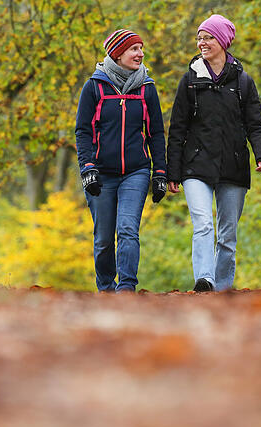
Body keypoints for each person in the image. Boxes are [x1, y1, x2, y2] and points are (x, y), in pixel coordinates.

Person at [167, 15, 261, 292]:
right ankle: (205, 280)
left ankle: (222, 288)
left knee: (227, 234)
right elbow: (177, 129)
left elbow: (255, 124)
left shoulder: (243, 82)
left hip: (233, 166)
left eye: (208, 37)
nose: (202, 42)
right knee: (203, 224)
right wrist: (172, 171)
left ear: (222, 41)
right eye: (200, 37)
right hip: (196, 166)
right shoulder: (189, 81)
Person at [75, 29, 168, 293]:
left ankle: (126, 288)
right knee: (104, 238)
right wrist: (87, 168)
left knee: (128, 229)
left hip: (136, 172)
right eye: (134, 49)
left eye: (141, 48)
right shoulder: (94, 87)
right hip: (101, 173)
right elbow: (83, 130)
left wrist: (159, 171)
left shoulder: (146, 89)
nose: (141, 54)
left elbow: (156, 133)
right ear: (117, 53)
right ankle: (106, 289)